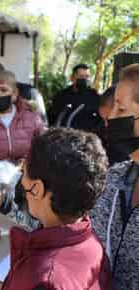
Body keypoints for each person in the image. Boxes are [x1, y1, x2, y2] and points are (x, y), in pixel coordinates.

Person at [0, 128, 113, 290]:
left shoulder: (45, 279)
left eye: (23, 171)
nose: (21, 180)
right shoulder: (92, 243)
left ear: (37, 188)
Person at [90, 64, 139, 290]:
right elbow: (68, 227)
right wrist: (4, 203)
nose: (110, 117)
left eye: (121, 109)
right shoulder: (116, 178)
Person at [48, 63, 101, 131]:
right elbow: (52, 116)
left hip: (85, 136)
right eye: (81, 76)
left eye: (87, 76)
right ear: (72, 78)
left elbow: (100, 116)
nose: (84, 79)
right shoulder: (62, 95)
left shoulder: (94, 96)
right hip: (65, 135)